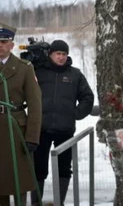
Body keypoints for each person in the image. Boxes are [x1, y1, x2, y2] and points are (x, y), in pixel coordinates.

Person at [31, 39, 94, 206]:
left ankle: (60, 202)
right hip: (41, 129)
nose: (61, 57)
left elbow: (87, 97)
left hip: (65, 130)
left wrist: (76, 114)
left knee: (64, 169)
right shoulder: (38, 72)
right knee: (38, 168)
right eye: (57, 54)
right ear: (50, 54)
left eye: (64, 54)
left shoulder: (75, 75)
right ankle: (36, 202)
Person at [0, 23, 42, 206]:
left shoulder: (24, 68)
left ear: (11, 44)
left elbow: (35, 104)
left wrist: (32, 136)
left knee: (19, 182)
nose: (0, 46)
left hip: (16, 130)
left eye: (3, 41)